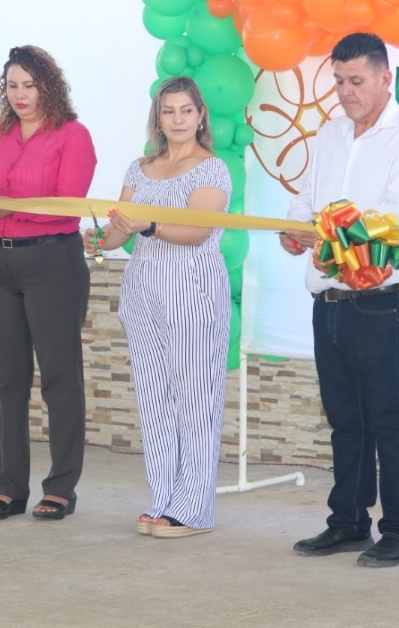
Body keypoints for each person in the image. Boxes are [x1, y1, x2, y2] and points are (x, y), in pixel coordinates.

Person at [281, 32, 399, 568]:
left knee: (389, 417)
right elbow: (306, 201)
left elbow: (398, 214)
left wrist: (328, 238)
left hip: (381, 301)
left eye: (356, 81)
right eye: (338, 81)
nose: (345, 91)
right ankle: (347, 523)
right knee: (345, 419)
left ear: (385, 78)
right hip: (328, 299)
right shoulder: (329, 133)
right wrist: (295, 230)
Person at [83, 76, 230, 539]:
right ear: (158, 118)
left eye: (186, 110)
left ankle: (195, 508)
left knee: (196, 398)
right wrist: (99, 239)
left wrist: (147, 226)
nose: (178, 119)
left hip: (193, 289)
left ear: (201, 116)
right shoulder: (139, 168)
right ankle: (163, 498)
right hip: (143, 290)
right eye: (169, 111)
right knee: (153, 396)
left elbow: (197, 232)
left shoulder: (213, 170)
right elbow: (120, 231)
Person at [0, 45, 96, 521]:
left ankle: (61, 488)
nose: (20, 95)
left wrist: (7, 206)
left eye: (30, 85)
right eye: (12, 85)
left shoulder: (73, 135)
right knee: (8, 379)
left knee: (59, 378)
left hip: (51, 262)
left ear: (48, 86)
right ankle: (9, 489)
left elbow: (68, 203)